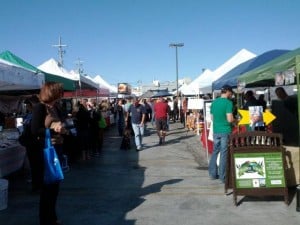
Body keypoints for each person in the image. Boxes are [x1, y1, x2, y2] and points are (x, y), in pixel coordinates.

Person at [31, 82, 68, 225]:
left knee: (55, 188)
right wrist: (53, 131)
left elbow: (58, 124)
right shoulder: (40, 107)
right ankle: (45, 220)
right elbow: (35, 130)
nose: (61, 94)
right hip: (46, 151)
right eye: (59, 91)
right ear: (52, 92)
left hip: (57, 148)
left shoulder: (55, 108)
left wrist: (63, 129)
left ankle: (52, 218)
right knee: (47, 189)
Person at [208, 84, 234, 184]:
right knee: (224, 153)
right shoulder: (228, 103)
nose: (231, 94)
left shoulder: (214, 102)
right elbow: (229, 119)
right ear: (227, 92)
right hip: (225, 130)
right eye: (231, 92)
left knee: (215, 152)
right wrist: (234, 120)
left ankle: (212, 174)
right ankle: (223, 176)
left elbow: (212, 117)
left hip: (216, 130)